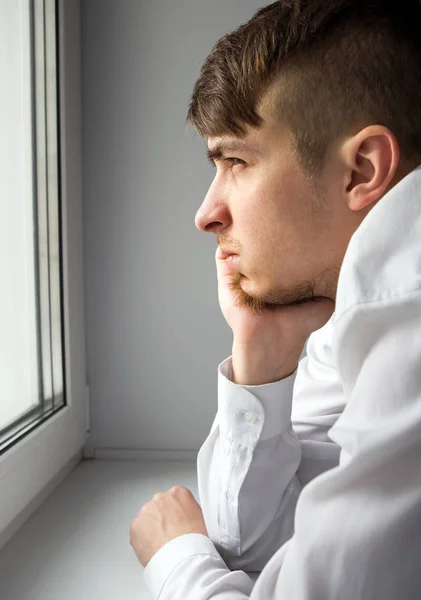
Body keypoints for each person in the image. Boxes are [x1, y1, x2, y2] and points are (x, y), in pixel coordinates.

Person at [129, 1, 421, 598]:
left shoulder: (407, 308)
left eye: (236, 160)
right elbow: (256, 544)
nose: (206, 214)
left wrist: (177, 560)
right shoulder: (351, 308)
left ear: (362, 170)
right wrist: (262, 353)